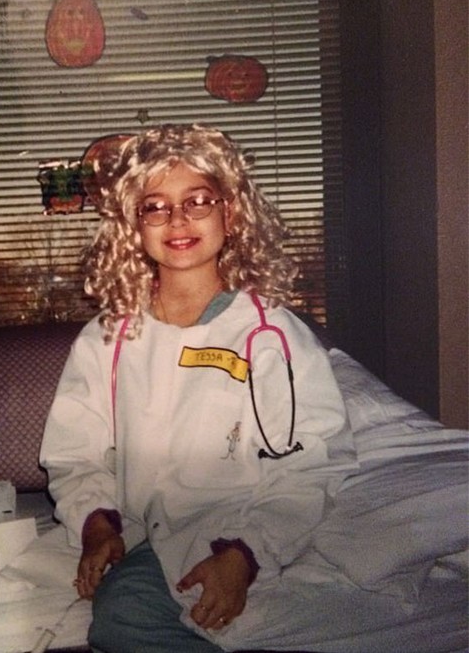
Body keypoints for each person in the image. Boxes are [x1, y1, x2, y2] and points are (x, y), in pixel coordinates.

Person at [39, 124, 357, 653]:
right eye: (155, 207)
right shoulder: (108, 338)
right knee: (121, 618)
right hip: (150, 532)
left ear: (230, 213)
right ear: (132, 224)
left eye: (198, 201)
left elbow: (309, 466)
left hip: (246, 530)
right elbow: (76, 455)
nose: (178, 220)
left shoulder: (269, 337)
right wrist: (96, 525)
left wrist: (245, 555)